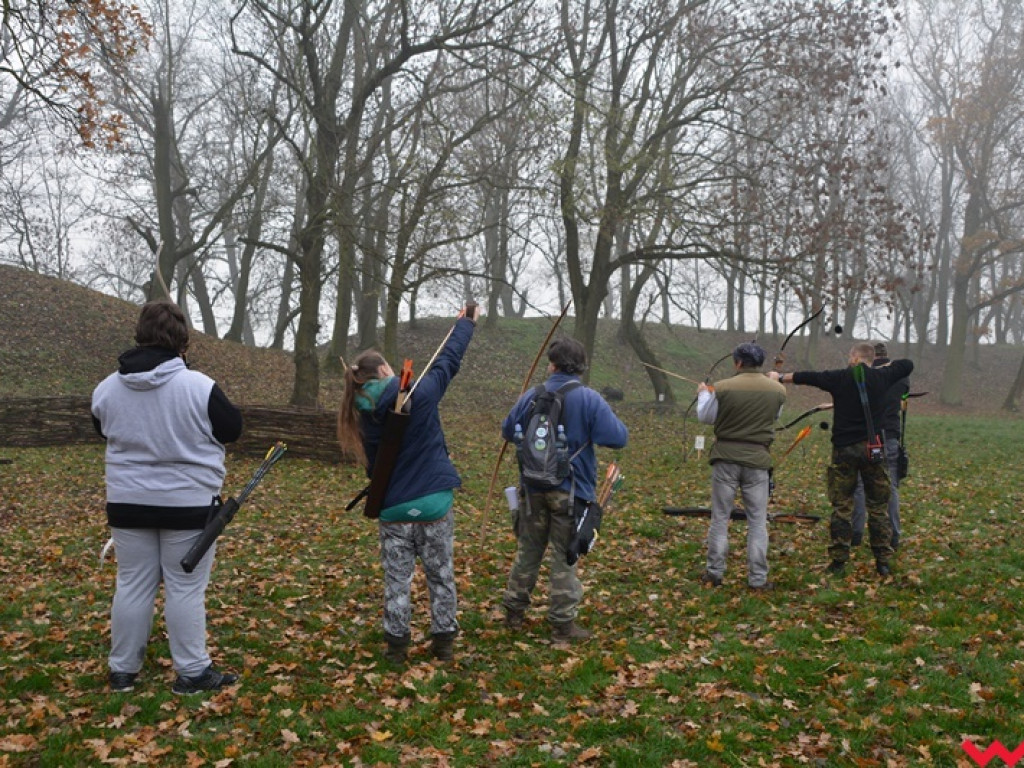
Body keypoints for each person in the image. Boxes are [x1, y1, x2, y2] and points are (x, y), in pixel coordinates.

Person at [91, 300, 243, 695]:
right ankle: (192, 673)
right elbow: (231, 429)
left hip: (127, 503)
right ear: (182, 341)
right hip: (187, 505)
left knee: (132, 583)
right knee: (184, 587)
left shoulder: (107, 388)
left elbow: (103, 429)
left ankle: (123, 671)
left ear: (139, 335)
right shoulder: (199, 387)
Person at [337, 304, 480, 664]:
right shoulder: (420, 394)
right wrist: (465, 324)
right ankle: (443, 642)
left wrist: (460, 325)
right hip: (433, 504)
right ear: (386, 371)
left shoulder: (364, 414)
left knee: (397, 580)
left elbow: (375, 471)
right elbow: (448, 361)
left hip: (395, 507)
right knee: (441, 575)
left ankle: (397, 646)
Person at [500, 337, 628, 643]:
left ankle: (513, 613)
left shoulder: (532, 395)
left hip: (531, 489)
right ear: (580, 368)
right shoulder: (589, 398)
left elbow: (507, 430)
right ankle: (562, 624)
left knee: (529, 549)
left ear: (552, 364)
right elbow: (618, 437)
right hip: (572, 491)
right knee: (564, 556)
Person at [774, 343, 913, 577]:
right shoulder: (883, 376)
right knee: (878, 507)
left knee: (842, 506)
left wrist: (779, 377)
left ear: (855, 357)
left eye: (851, 355)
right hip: (873, 449)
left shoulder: (839, 377)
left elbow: (808, 377)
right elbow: (908, 364)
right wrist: (884, 365)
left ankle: (839, 560)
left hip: (844, 450)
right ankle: (882, 560)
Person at [695, 343, 787, 590]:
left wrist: (704, 393)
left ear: (737, 363)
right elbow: (775, 417)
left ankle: (714, 573)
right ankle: (758, 578)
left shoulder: (723, 387)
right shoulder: (777, 390)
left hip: (726, 457)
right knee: (757, 521)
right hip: (757, 460)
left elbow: (705, 416)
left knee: (720, 518)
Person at [851, 342, 909, 551]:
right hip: (890, 435)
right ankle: (893, 535)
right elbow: (903, 395)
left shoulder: (865, 376)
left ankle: (855, 533)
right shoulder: (901, 377)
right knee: (890, 486)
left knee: (859, 485)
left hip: (866, 436)